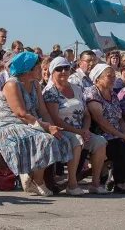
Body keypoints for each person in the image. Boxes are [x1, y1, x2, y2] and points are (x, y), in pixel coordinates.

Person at [0, 52, 73, 196]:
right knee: (45, 139)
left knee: (60, 138)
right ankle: (37, 182)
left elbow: (43, 111)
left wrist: (51, 126)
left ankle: (40, 179)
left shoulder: (35, 84)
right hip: (11, 125)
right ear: (28, 69)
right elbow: (21, 113)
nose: (41, 69)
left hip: (31, 123)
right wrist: (47, 127)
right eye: (38, 67)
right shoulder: (12, 84)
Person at [43, 57, 108, 194]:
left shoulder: (77, 89)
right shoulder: (50, 91)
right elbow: (55, 119)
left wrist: (85, 129)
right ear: (51, 72)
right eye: (59, 69)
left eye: (66, 67)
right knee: (77, 140)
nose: (63, 71)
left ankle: (95, 183)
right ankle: (72, 184)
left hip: (80, 130)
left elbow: (86, 114)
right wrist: (78, 132)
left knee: (100, 141)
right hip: (61, 131)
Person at [86, 63, 125, 194]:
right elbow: (101, 121)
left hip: (116, 133)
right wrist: (121, 135)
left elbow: (119, 117)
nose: (113, 78)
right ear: (97, 78)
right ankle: (121, 183)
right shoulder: (92, 93)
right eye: (109, 76)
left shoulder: (112, 94)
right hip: (100, 133)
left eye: (113, 76)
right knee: (120, 145)